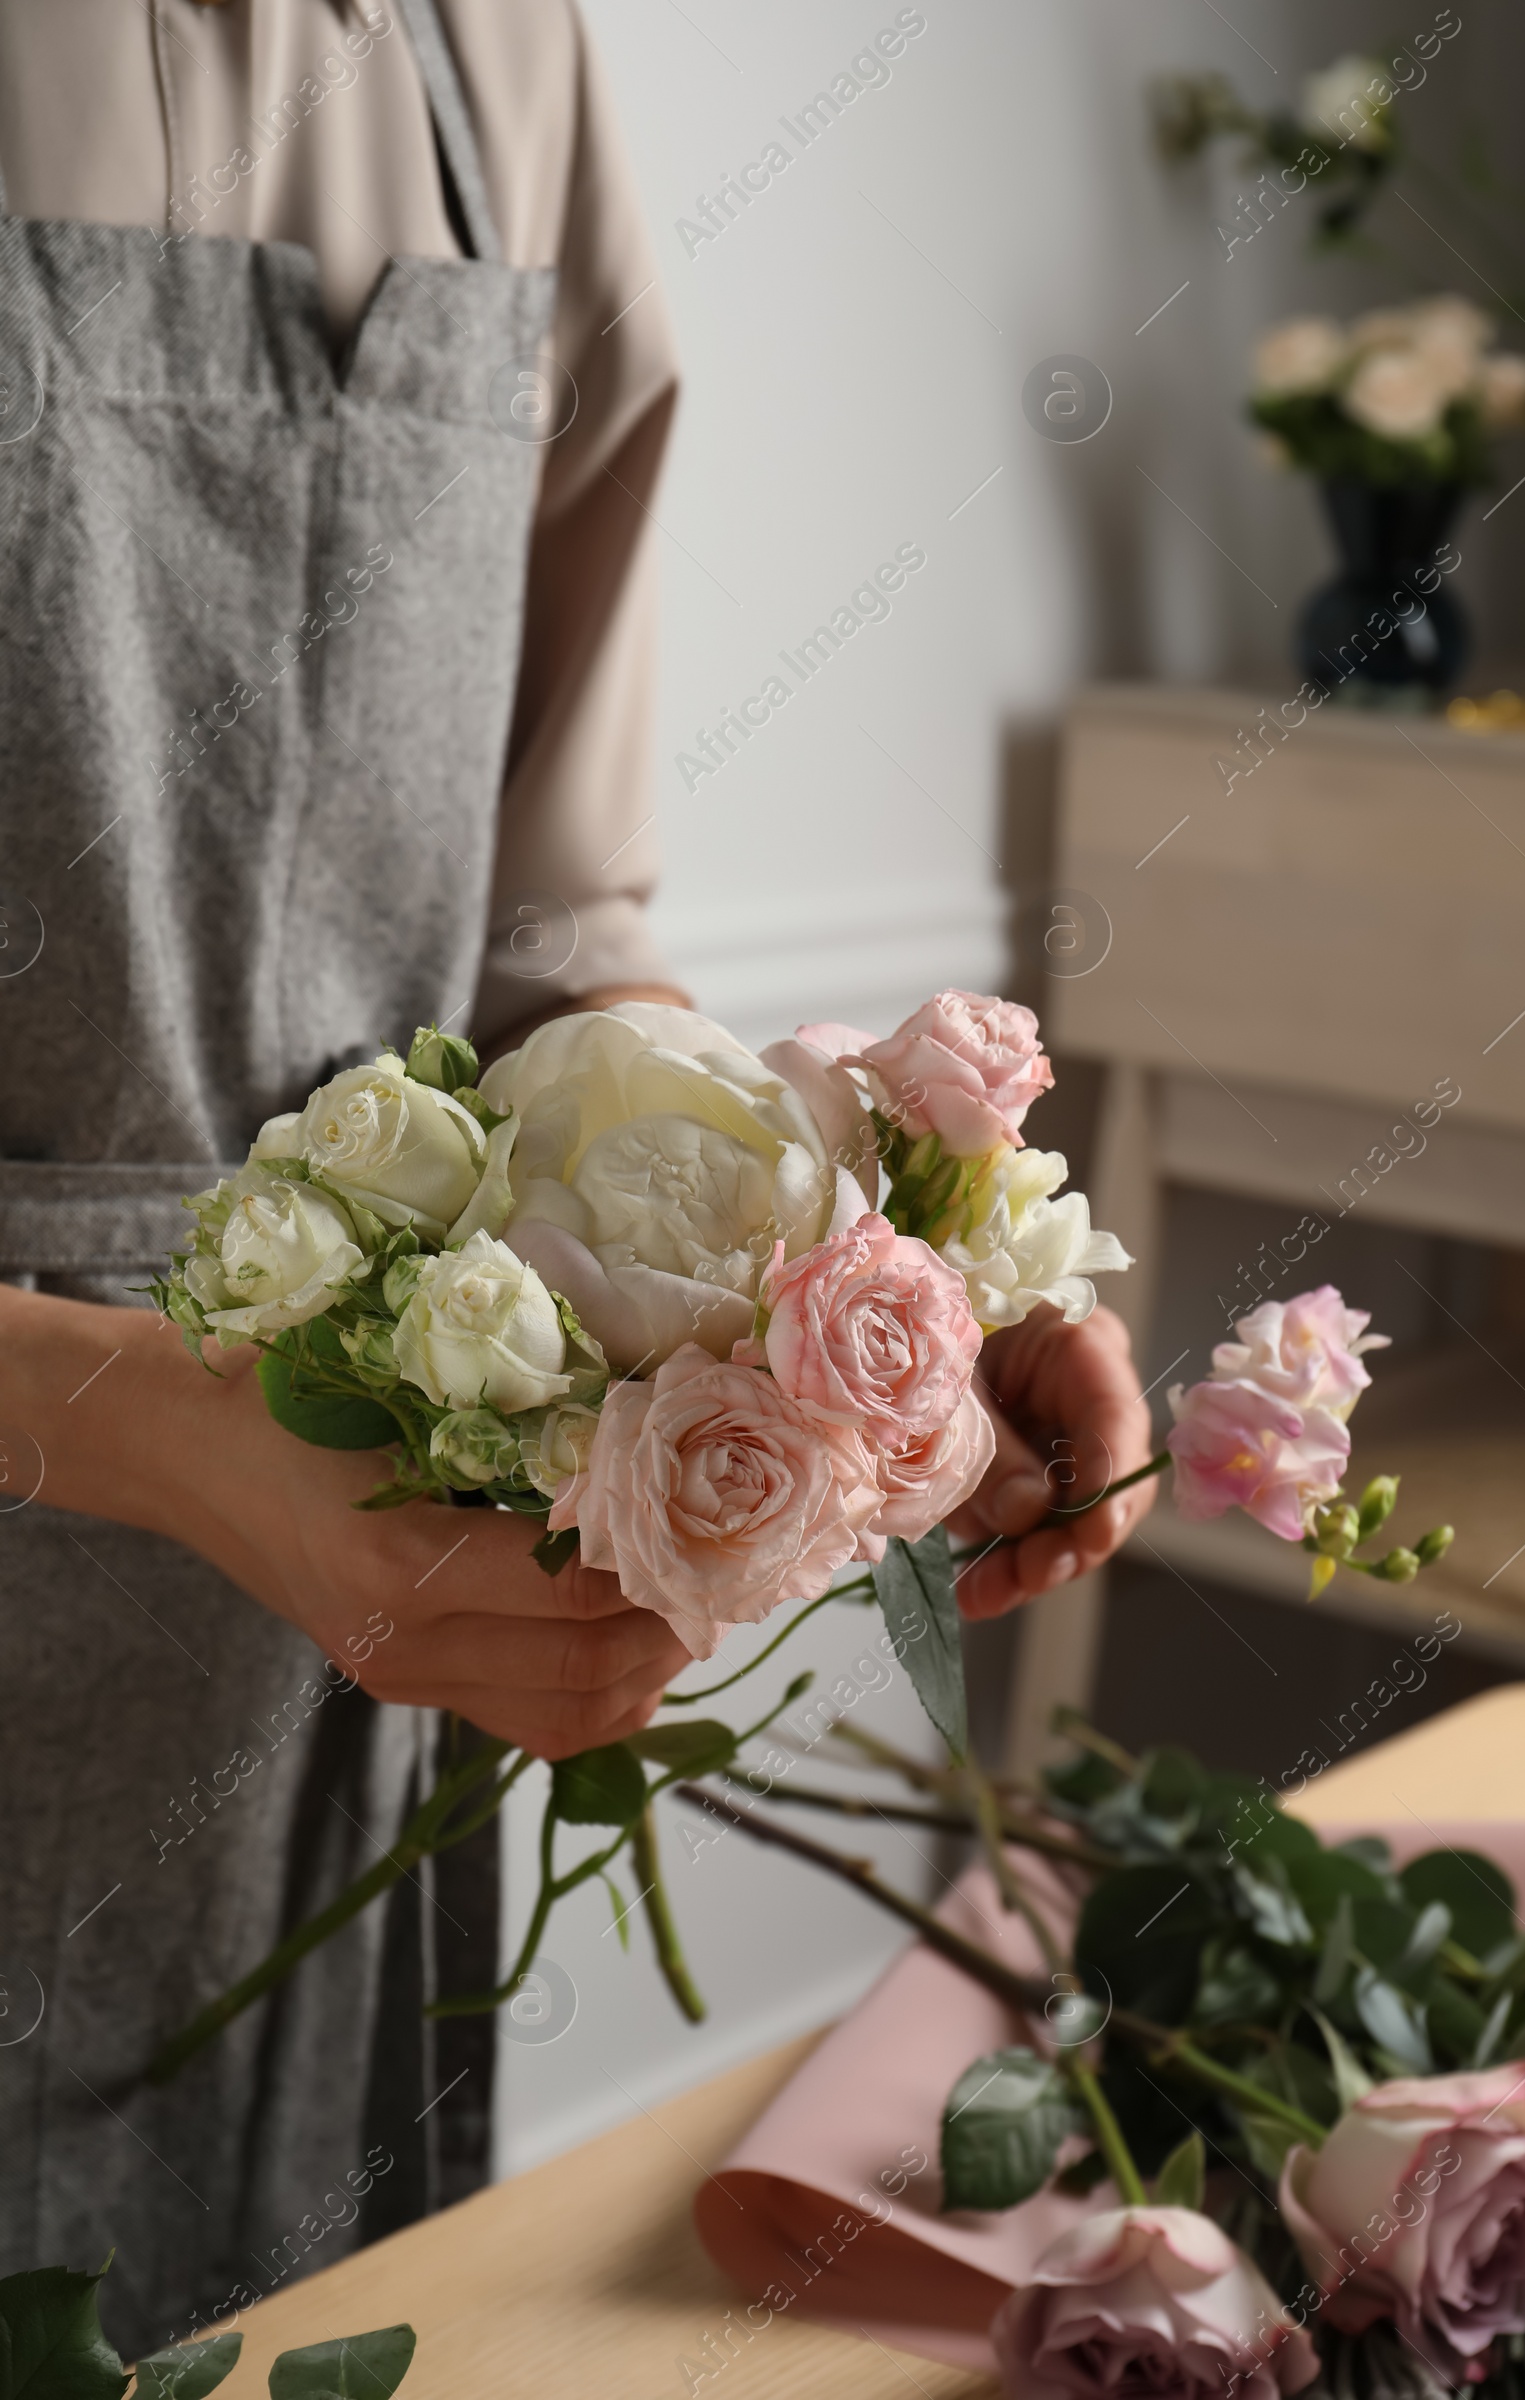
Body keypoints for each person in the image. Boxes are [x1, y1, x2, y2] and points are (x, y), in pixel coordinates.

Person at [0, 0, 1150, 2357]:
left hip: (327, 1637)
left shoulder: (484, 54)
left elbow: (543, 934)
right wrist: (163, 1424)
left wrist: (847, 1262)